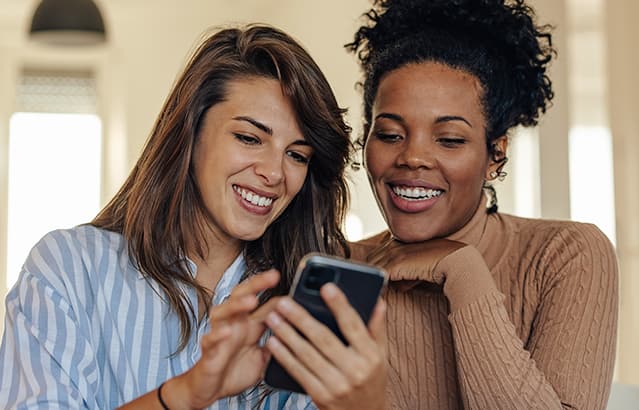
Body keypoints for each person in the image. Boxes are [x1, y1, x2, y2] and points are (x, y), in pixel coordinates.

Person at [0, 24, 372, 409]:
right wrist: (188, 393)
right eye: (249, 138)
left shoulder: (303, 306)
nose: (275, 173)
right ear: (190, 135)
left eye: (297, 154)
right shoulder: (68, 270)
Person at [341, 0, 619, 408]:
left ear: (495, 156)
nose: (413, 157)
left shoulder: (566, 255)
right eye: (390, 134)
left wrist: (463, 270)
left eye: (450, 139)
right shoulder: (342, 271)